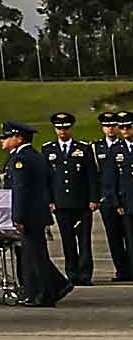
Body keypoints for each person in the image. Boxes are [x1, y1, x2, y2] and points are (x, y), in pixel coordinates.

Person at [0, 120, 66, 306]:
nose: (2, 141)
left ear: (18, 139)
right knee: (34, 254)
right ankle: (50, 287)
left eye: (7, 137)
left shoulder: (21, 159)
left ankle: (47, 293)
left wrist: (18, 217)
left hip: (30, 214)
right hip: (38, 212)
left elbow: (21, 191)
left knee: (36, 256)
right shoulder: (35, 155)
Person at [47, 111, 99, 287]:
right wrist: (50, 200)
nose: (63, 131)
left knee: (84, 240)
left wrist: (94, 198)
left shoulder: (83, 148)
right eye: (59, 128)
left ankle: (85, 274)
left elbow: (91, 175)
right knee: (67, 240)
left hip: (81, 202)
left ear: (71, 128)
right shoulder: (49, 149)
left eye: (66, 128)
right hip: (61, 203)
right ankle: (71, 273)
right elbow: (47, 179)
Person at [100, 111, 132, 283]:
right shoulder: (115, 150)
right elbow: (109, 178)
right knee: (117, 238)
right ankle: (124, 270)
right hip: (122, 201)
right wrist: (115, 201)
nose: (125, 130)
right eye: (123, 127)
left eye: (128, 127)